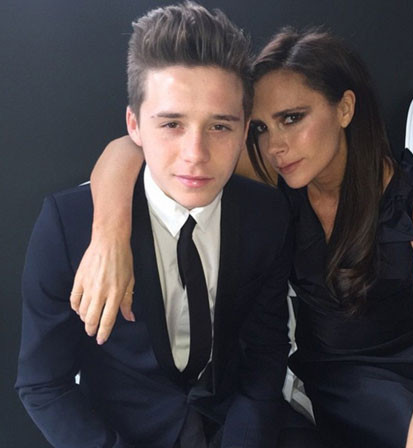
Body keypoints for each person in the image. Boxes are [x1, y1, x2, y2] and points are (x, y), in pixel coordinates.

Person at [69, 25, 413, 448]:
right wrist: (109, 238)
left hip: (409, 388)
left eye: (292, 119)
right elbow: (129, 149)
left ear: (345, 108)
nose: (275, 145)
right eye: (260, 128)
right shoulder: (278, 173)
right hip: (323, 387)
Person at [16, 4, 326, 447]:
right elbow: (44, 385)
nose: (195, 154)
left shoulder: (266, 215)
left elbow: (266, 352)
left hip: (234, 421)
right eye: (172, 124)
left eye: (220, 127)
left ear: (244, 132)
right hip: (123, 433)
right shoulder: (67, 226)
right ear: (134, 125)